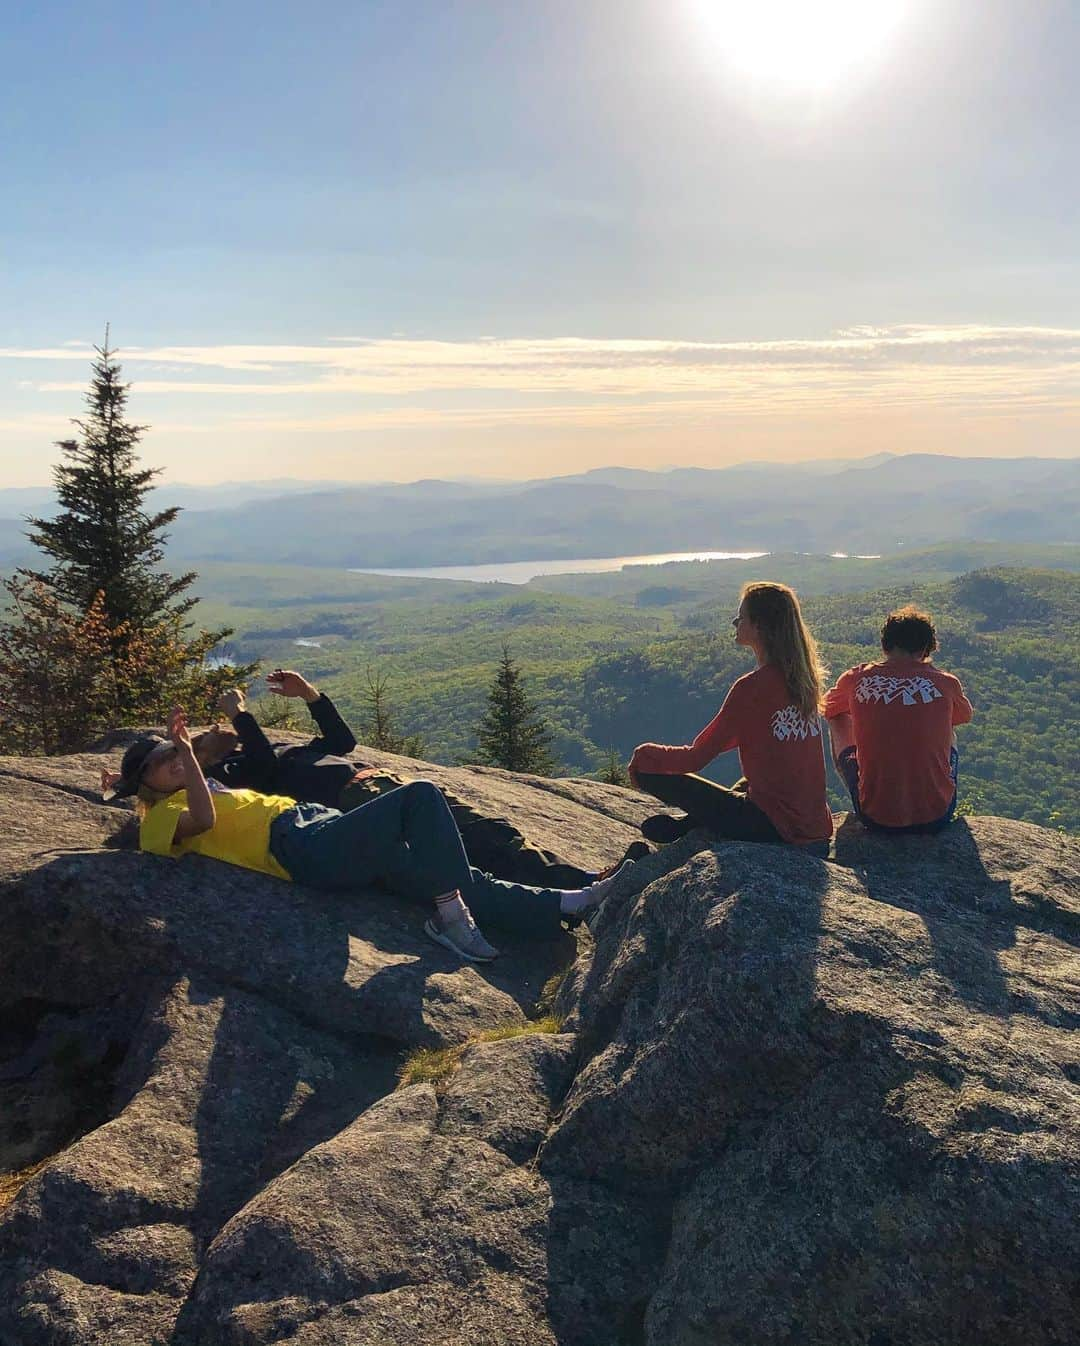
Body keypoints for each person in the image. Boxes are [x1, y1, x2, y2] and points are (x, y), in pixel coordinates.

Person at [109, 707, 630, 963]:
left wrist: (192, 743)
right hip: (298, 849)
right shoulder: (156, 819)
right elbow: (203, 821)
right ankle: (451, 917)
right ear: (144, 783)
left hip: (318, 825)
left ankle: (565, 904)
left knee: (446, 871)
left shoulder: (192, 776)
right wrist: (184, 761)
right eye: (161, 761)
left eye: (173, 753)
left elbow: (222, 743)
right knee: (419, 796)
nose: (173, 760)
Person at [185, 670, 626, 887]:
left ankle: (578, 879)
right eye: (203, 739)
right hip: (362, 801)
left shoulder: (278, 752)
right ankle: (580, 885)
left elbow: (342, 741)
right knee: (471, 848)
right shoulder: (237, 773)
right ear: (201, 762)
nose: (214, 731)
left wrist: (311, 695)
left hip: (383, 783)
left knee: (489, 830)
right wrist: (239, 716)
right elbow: (262, 764)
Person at [628, 581, 833, 858]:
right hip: (815, 824)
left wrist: (645, 756)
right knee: (746, 784)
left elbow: (696, 758)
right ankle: (690, 824)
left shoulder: (751, 688)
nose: (735, 622)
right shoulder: (804, 679)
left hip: (772, 827)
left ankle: (694, 822)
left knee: (648, 770)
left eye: (742, 617)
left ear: (759, 626)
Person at [824, 605, 973, 834]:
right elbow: (963, 717)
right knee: (950, 730)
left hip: (876, 817)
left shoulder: (856, 679)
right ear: (926, 648)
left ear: (885, 646)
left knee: (837, 717)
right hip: (937, 815)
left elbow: (826, 707)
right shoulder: (945, 682)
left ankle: (869, 790)